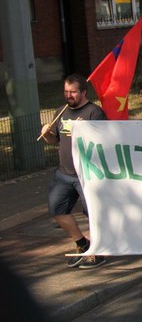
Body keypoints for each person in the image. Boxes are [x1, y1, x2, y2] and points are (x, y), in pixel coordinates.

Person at [39, 74, 108, 269]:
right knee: (57, 210)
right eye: (66, 92)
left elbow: (104, 143)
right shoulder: (61, 112)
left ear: (83, 92)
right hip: (64, 173)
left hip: (87, 174)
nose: (69, 95)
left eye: (73, 92)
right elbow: (56, 141)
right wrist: (47, 135)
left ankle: (97, 251)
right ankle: (82, 244)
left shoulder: (94, 113)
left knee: (93, 214)